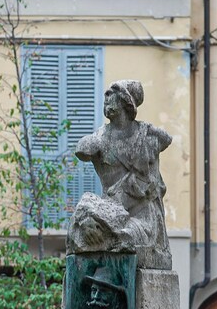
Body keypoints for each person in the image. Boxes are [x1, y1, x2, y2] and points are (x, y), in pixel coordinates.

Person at [71, 79, 173, 269]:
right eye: (106, 93)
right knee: (82, 230)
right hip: (111, 210)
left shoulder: (149, 136)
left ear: (126, 101)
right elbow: (82, 148)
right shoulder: (99, 139)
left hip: (142, 217)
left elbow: (166, 139)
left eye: (112, 93)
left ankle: (109, 276)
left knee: (122, 238)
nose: (106, 97)